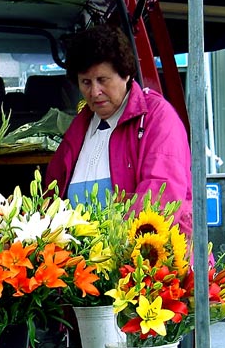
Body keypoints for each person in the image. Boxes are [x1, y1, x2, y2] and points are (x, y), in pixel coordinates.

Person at [44, 23, 193, 238]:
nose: (94, 92)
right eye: (86, 82)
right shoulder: (80, 127)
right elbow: (51, 193)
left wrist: (114, 246)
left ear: (125, 74)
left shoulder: (158, 118)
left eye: (102, 80)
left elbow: (161, 196)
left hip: (140, 260)